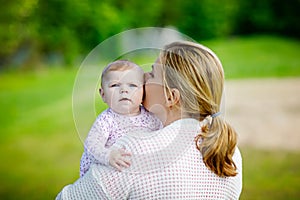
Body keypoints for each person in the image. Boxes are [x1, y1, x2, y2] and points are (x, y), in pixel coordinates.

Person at [56, 41, 242, 199]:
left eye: (152, 74)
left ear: (170, 97)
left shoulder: (136, 150)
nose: (143, 77)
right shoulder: (229, 151)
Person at [80, 60, 163, 176]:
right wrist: (108, 155)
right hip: (107, 173)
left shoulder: (151, 117)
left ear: (143, 91)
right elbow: (91, 144)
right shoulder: (107, 120)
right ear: (103, 95)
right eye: (115, 85)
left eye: (133, 85)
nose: (124, 90)